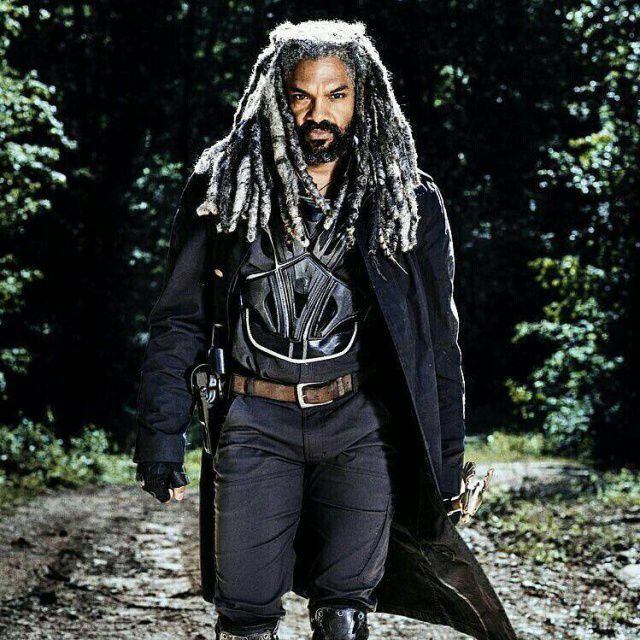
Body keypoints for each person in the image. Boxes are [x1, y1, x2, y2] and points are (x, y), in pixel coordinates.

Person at [134, 19, 517, 640]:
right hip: (253, 421)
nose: (319, 113)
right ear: (275, 97)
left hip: (359, 425)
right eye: (301, 96)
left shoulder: (406, 199)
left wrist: (445, 465)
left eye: (336, 94)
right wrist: (160, 436)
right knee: (245, 615)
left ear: (363, 97)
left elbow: (437, 342)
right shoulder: (224, 189)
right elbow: (178, 320)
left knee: (345, 611)